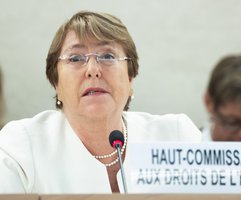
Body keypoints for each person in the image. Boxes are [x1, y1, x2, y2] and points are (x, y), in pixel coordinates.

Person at [0, 11, 202, 193]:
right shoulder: (20, 147)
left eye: (107, 56)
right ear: (56, 84)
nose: (93, 70)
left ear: (130, 78)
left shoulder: (176, 136)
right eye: (75, 58)